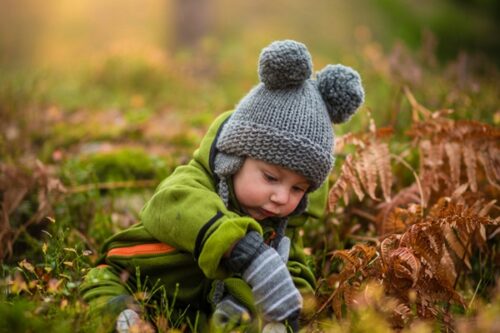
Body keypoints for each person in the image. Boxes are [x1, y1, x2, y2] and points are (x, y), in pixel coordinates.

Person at [80, 39, 364, 332]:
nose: (281, 197)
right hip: (136, 274)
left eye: (298, 189)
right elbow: (167, 205)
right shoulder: (196, 181)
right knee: (103, 285)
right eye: (270, 178)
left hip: (197, 311)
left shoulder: (281, 227)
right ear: (234, 159)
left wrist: (289, 303)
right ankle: (123, 319)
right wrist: (242, 248)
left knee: (245, 317)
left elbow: (294, 270)